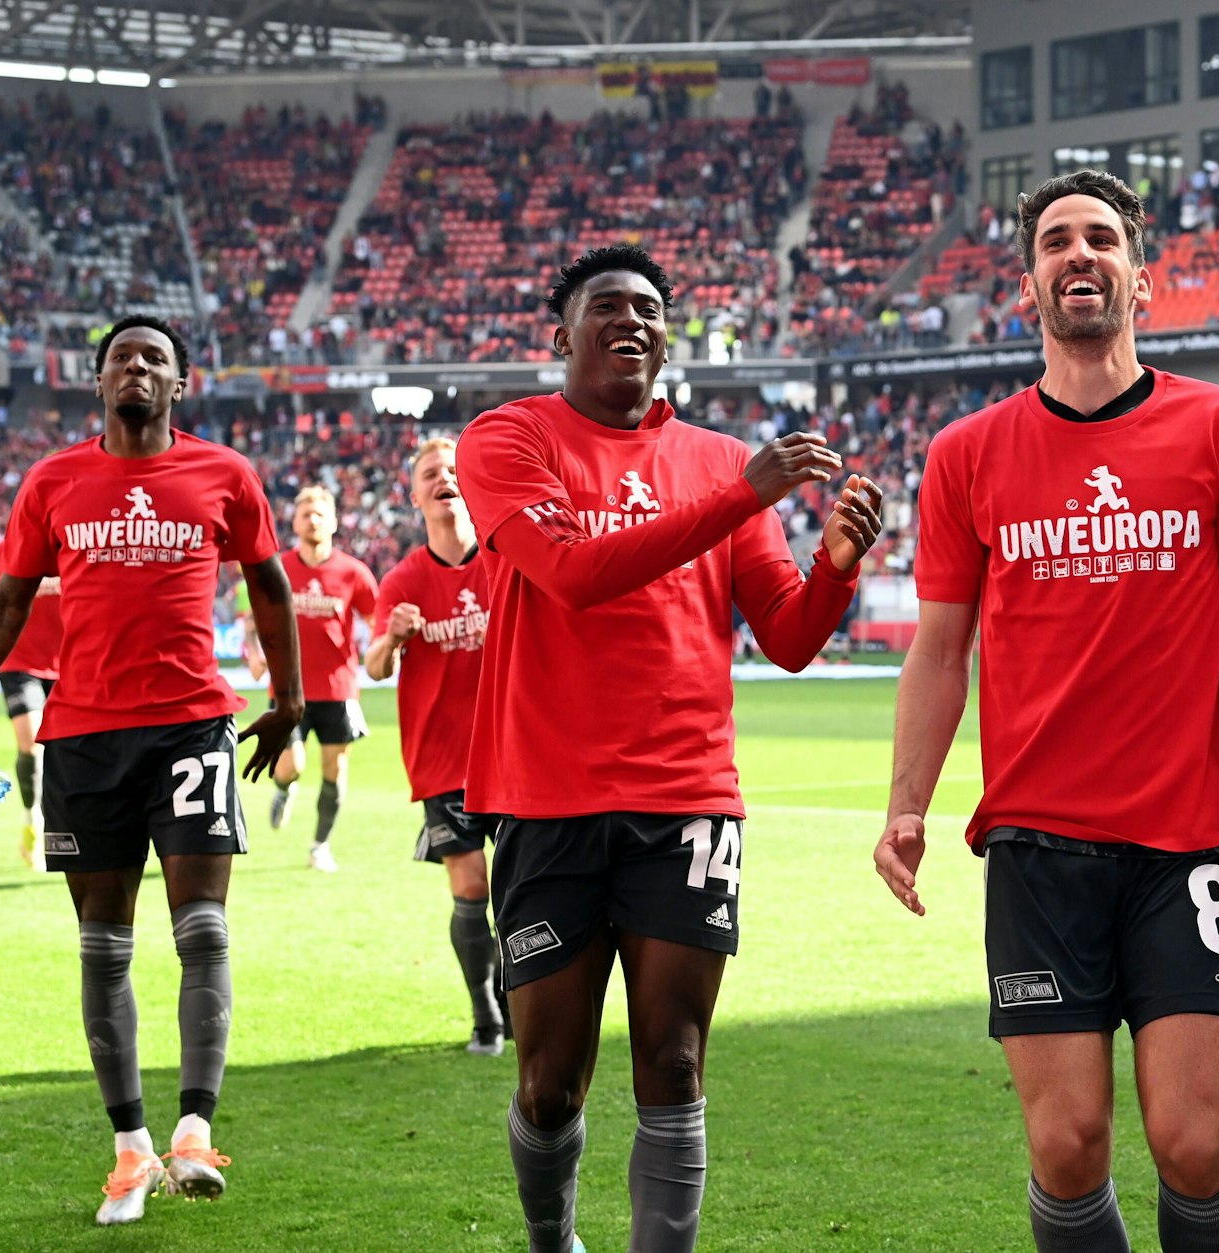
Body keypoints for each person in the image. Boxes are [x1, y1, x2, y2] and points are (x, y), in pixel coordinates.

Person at [873, 170, 1219, 1253]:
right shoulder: (965, 452)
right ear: (1029, 287)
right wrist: (906, 802)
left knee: (1192, 1143)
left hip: (1187, 841)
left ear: (1139, 279)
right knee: (1066, 1144)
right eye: (1056, 240)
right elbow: (940, 648)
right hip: (1037, 844)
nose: (1079, 254)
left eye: (1101, 238)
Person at [454, 244, 882, 1253]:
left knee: (676, 1066)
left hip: (687, 798)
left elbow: (786, 636)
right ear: (562, 333)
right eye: (607, 304)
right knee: (547, 1083)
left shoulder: (720, 459)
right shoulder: (507, 437)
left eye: (649, 308)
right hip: (547, 797)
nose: (632, 320)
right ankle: (553, 1238)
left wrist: (833, 565)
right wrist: (744, 496)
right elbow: (569, 572)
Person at [0, 315, 303, 1226]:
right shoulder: (53, 481)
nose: (137, 365)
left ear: (180, 383)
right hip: (84, 736)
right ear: (98, 381)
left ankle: (195, 1131)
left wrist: (289, 699)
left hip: (192, 725)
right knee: (103, 945)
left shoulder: (225, 473)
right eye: (121, 356)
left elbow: (270, 584)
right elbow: (9, 600)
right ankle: (131, 1149)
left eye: (154, 357)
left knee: (203, 929)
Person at [364, 436, 506, 1054]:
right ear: (416, 496)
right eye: (430, 473)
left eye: (452, 469)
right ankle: (487, 1015)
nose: (444, 478)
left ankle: (516, 1001)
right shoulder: (403, 580)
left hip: (515, 752)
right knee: (471, 886)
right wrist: (393, 638)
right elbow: (374, 667)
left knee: (520, 889)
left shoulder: (506, 560)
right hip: (444, 760)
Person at [246, 484, 378, 872]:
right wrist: (253, 652)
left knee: (335, 770)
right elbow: (253, 618)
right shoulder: (278, 568)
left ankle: (320, 847)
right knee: (291, 765)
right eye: (306, 514)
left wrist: (386, 646)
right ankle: (283, 788)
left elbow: (377, 620)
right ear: (295, 523)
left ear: (334, 521)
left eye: (320, 513)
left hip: (339, 688)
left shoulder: (354, 572)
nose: (313, 520)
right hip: (289, 688)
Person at [0, 544, 63, 868]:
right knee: (31, 742)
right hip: (19, 662)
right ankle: (32, 815)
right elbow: (6, 597)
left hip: (68, 662)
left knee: (66, 749)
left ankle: (60, 823)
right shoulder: (8, 549)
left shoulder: (76, 540)